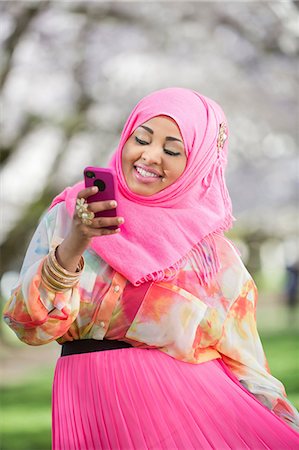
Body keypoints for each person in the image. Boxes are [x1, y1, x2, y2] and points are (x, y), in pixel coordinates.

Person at [3, 87, 299, 449]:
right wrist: (76, 243)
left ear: (197, 165)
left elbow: (246, 363)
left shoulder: (211, 256)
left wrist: (286, 426)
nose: (150, 155)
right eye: (140, 139)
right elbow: (27, 326)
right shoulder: (70, 216)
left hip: (188, 421)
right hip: (86, 409)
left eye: (172, 150)